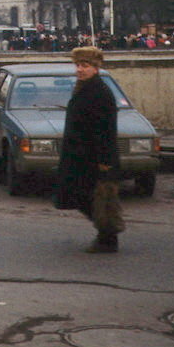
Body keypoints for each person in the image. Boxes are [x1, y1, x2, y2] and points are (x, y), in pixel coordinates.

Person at [53, 46, 124, 253]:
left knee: (98, 199)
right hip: (81, 155)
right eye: (77, 65)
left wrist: (105, 160)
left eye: (85, 66)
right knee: (85, 196)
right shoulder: (85, 87)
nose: (80, 70)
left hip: (94, 156)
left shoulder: (99, 92)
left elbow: (105, 129)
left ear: (95, 68)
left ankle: (108, 238)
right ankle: (106, 235)